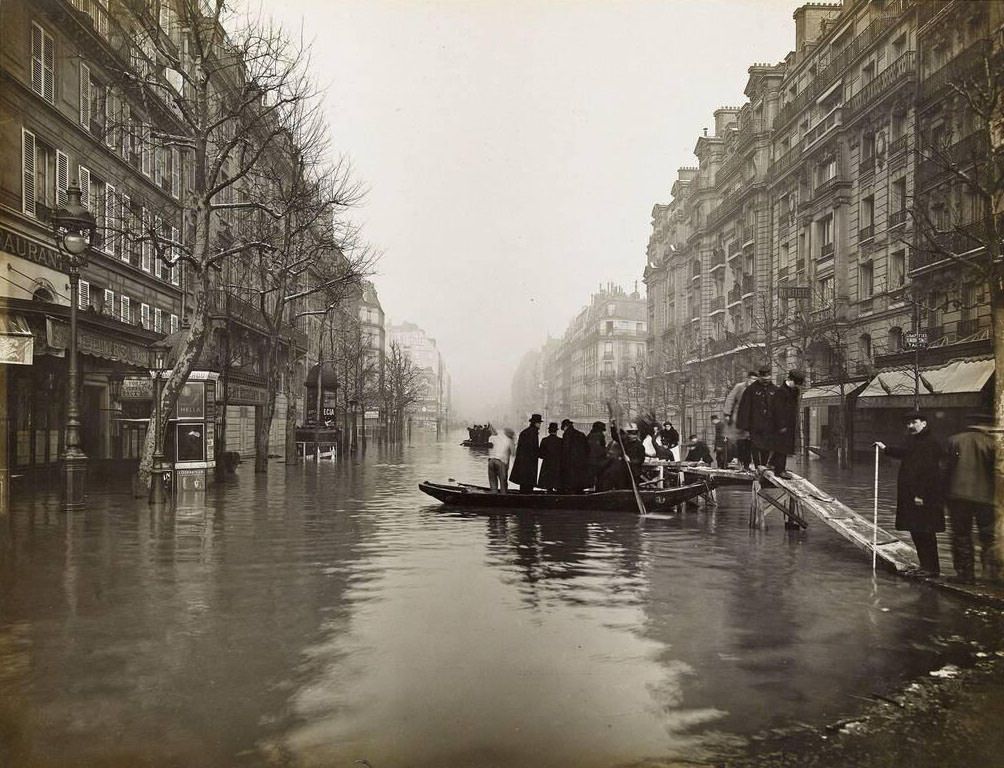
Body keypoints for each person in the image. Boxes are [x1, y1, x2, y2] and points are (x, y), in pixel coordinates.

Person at [875, 411, 946, 577]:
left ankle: (931, 569)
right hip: (914, 494)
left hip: (922, 496)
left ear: (924, 423)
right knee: (917, 529)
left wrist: (920, 494)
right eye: (908, 423)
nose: (910, 426)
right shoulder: (916, 441)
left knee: (925, 531)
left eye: (914, 422)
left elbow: (928, 471)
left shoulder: (929, 443)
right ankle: (926, 566)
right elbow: (905, 453)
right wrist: (885, 448)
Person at [944, 412, 999, 584]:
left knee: (961, 535)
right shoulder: (994, 444)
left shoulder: (953, 440)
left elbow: (944, 471)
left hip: (958, 497)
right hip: (987, 500)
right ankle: (992, 576)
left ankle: (965, 575)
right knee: (989, 537)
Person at [765, 369, 805, 479]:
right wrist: (781, 425)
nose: (797, 386)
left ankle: (773, 463)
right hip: (780, 424)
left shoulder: (794, 391)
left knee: (785, 446)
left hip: (790, 423)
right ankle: (780, 470)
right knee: (781, 447)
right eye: (796, 383)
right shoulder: (780, 392)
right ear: (790, 380)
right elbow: (777, 410)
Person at [736, 367, 776, 470]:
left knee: (766, 446)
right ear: (760, 377)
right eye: (764, 377)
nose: (766, 379)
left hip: (769, 425)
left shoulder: (774, 389)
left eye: (768, 377)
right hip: (755, 424)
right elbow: (745, 408)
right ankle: (758, 466)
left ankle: (763, 465)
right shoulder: (751, 390)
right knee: (755, 446)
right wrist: (744, 427)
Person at [724, 371, 757, 469]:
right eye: (752, 379)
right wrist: (727, 413)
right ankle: (741, 462)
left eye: (756, 380)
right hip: (739, 417)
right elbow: (730, 398)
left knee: (750, 442)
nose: (754, 381)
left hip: (752, 418)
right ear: (748, 379)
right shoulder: (739, 387)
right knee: (740, 441)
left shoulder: (756, 389)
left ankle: (748, 463)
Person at [510, 413, 543, 492]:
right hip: (530, 462)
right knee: (529, 482)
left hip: (522, 461)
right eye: (539, 423)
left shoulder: (524, 432)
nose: (540, 425)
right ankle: (527, 496)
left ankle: (523, 495)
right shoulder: (534, 433)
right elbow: (534, 448)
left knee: (523, 482)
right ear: (536, 423)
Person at [558, 418, 590, 493]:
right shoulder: (581, 434)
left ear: (565, 427)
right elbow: (587, 449)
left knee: (570, 482)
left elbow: (565, 449)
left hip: (570, 462)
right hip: (580, 462)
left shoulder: (567, 434)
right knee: (579, 482)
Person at [487, 426, 515, 492]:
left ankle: (494, 496)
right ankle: (503, 498)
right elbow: (513, 453)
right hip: (500, 462)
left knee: (493, 484)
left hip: (491, 461)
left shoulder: (497, 437)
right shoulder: (510, 440)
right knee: (503, 484)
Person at [537, 422, 563, 493]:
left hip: (547, 464)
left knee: (548, 485)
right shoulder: (560, 441)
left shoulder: (544, 440)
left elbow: (540, 455)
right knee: (557, 483)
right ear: (556, 431)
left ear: (549, 431)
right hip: (557, 465)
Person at [586, 421, 608, 489]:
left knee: (591, 478)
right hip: (599, 460)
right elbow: (603, 448)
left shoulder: (589, 435)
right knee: (600, 477)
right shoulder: (600, 435)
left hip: (590, 460)